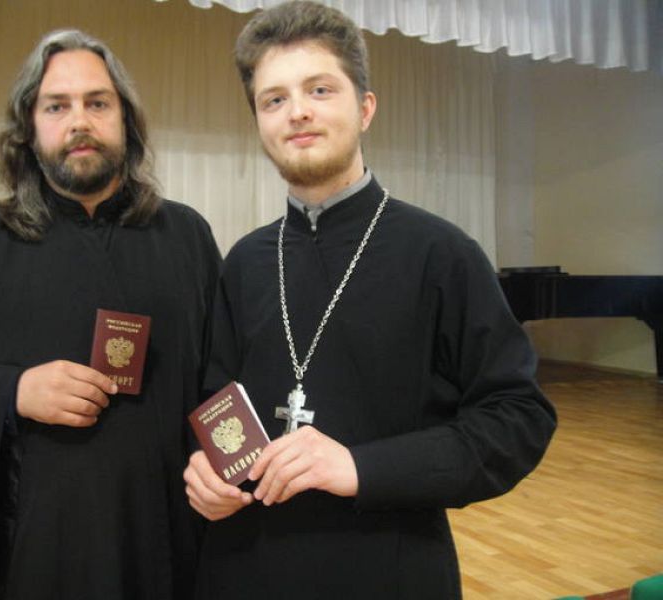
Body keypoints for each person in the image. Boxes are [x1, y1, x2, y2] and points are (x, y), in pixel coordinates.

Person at [183, 2, 557, 598]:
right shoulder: (245, 261)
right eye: (273, 99)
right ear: (258, 122)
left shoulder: (442, 254)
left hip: (389, 567)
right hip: (247, 567)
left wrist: (361, 467)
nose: (297, 111)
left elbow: (518, 419)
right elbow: (217, 401)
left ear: (365, 108)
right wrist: (205, 467)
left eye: (319, 89)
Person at [0, 29, 221, 600]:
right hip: (36, 553)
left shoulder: (186, 237)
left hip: (161, 541)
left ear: (126, 120)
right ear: (28, 127)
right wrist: (10, 392)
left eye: (98, 103)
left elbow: (222, 376)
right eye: (56, 106)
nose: (79, 122)